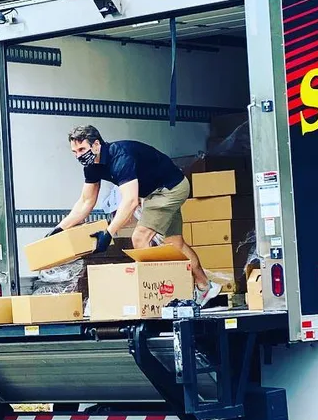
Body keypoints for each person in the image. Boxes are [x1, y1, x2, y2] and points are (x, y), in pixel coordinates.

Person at [50, 124, 221, 306]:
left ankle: (159, 297)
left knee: (139, 239)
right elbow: (86, 202)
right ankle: (205, 286)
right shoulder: (92, 166)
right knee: (175, 243)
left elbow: (131, 201)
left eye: (82, 149)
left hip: (169, 189)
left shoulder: (120, 157)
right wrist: (59, 229)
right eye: (74, 152)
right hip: (157, 191)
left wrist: (108, 233)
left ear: (96, 145)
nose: (79, 156)